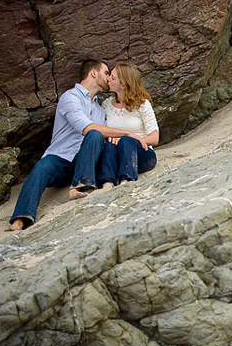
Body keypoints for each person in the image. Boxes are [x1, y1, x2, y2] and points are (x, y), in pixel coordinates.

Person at [8, 59, 141, 230]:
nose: (108, 78)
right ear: (94, 73)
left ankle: (80, 186)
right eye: (106, 73)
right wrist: (126, 132)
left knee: (96, 136)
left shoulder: (100, 110)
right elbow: (86, 128)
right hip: (60, 158)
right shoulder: (70, 97)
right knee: (41, 168)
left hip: (85, 161)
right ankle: (20, 220)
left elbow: (100, 136)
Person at [96, 63, 160, 188]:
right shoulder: (106, 105)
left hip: (140, 155)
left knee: (126, 140)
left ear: (123, 85)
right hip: (116, 157)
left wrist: (132, 140)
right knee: (109, 144)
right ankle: (106, 183)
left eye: (112, 78)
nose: (108, 78)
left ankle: (127, 180)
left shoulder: (142, 104)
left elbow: (154, 138)